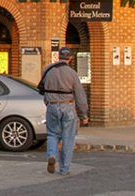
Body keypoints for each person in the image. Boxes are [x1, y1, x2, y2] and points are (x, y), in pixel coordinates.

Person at [41, 46, 89, 176]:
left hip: (52, 106)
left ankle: (52, 155)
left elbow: (43, 89)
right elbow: (80, 96)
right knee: (68, 138)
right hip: (67, 107)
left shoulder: (47, 70)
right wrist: (84, 114)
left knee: (52, 134)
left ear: (58, 56)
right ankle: (65, 169)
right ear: (70, 58)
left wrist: (48, 103)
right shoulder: (72, 73)